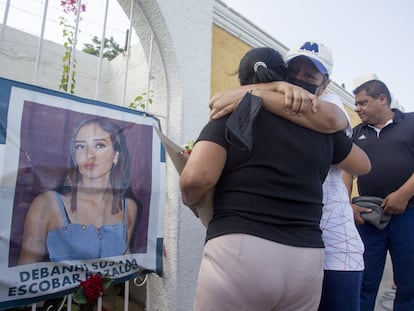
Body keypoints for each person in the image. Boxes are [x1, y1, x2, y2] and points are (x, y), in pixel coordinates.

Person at [180, 46, 366, 311]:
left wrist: (192, 202)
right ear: (282, 73)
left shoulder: (233, 110)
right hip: (307, 257)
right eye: (297, 71)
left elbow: (195, 178)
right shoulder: (321, 127)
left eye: (310, 75)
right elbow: (363, 163)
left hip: (241, 249)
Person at [18, 117, 139, 263]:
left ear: (116, 155)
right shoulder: (47, 204)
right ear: (74, 156)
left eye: (99, 145)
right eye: (80, 146)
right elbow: (23, 274)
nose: (89, 155)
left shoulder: (128, 207)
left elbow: (125, 263)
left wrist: (153, 256)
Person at [343, 79, 414, 311]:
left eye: (363, 102)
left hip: (409, 215)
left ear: (382, 98)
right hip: (368, 217)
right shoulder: (356, 134)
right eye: (356, 104)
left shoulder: (411, 122)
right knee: (363, 280)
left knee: (409, 283)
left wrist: (403, 195)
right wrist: (347, 205)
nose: (357, 108)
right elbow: (346, 171)